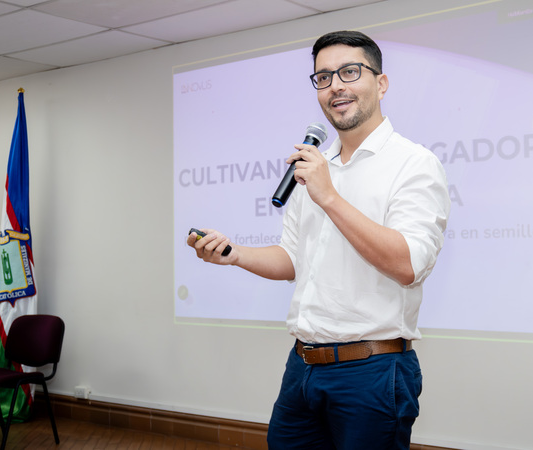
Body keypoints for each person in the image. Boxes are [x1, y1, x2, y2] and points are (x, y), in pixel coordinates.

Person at [187, 30, 450, 449]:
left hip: (372, 371)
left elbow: (408, 265)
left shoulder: (413, 163)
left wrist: (329, 197)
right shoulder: (314, 166)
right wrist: (234, 254)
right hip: (303, 366)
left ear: (381, 83)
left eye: (350, 72)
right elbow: (292, 258)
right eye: (323, 78)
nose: (335, 86)